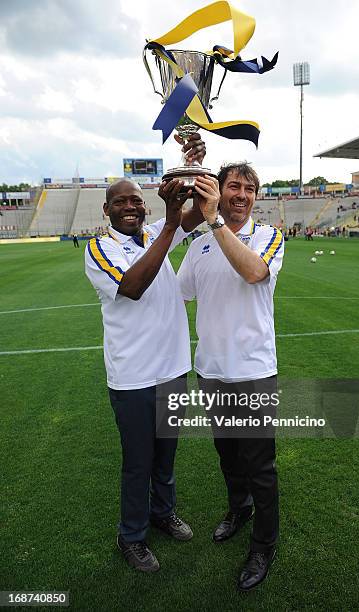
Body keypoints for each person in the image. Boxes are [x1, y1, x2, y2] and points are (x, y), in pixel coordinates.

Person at [85, 134, 209, 573]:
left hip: (172, 370)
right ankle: (131, 535)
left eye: (137, 200)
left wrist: (191, 169)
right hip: (134, 378)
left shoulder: (158, 230)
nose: (132, 206)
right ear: (108, 210)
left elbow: (196, 214)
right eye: (122, 202)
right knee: (138, 463)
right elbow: (133, 287)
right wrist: (171, 225)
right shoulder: (99, 249)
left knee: (166, 457)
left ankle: (162, 513)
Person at [177, 163, 284, 591]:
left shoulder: (268, 237)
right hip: (212, 371)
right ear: (219, 190)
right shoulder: (200, 246)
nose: (242, 194)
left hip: (254, 373)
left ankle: (263, 545)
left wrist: (215, 220)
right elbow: (177, 295)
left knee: (261, 466)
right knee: (228, 455)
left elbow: (254, 272)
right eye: (233, 186)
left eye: (250, 188)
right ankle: (238, 509)